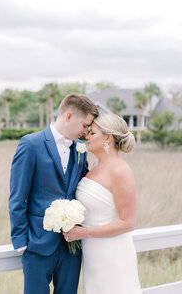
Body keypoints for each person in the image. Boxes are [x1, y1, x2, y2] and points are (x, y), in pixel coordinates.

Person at [9, 94, 98, 294]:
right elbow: (18, 196)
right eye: (85, 125)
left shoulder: (80, 150)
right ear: (69, 115)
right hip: (37, 245)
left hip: (71, 248)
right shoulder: (30, 144)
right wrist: (22, 243)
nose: (85, 133)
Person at [63, 114, 142, 294]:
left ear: (108, 137)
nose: (86, 136)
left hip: (113, 253)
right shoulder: (93, 166)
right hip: (92, 254)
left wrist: (84, 232)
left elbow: (128, 222)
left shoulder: (120, 170)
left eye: (93, 133)